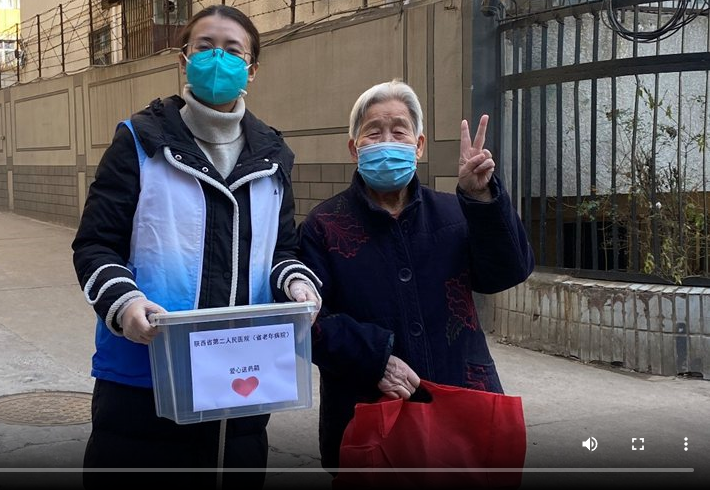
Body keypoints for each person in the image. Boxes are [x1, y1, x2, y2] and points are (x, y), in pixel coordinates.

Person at [71, 5, 322, 487]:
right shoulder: (139, 141)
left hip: (243, 370)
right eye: (204, 47)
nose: (217, 58)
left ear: (251, 69)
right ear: (184, 59)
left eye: (232, 50)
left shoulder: (273, 156)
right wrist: (125, 304)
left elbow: (282, 251)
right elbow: (96, 244)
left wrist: (297, 285)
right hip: (147, 372)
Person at [297, 79, 534, 472]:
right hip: (369, 415)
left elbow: (508, 271)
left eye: (399, 131)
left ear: (419, 146)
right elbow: (306, 324)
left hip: (461, 404)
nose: (387, 142)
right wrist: (375, 358)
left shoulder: (454, 212)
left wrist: (482, 199)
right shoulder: (324, 225)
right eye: (374, 133)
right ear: (354, 149)